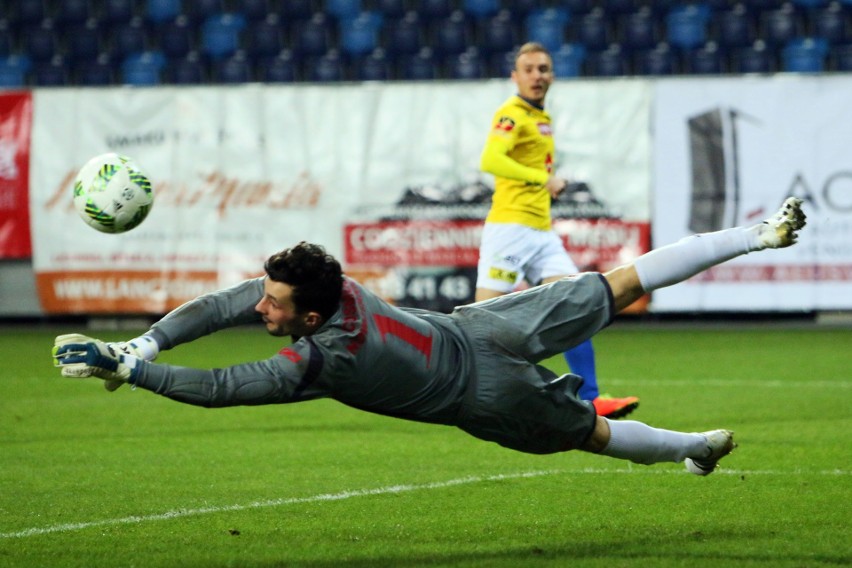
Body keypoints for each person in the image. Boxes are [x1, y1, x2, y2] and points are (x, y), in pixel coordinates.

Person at [52, 197, 806, 476]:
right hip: (483, 327)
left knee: (591, 438)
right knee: (620, 284)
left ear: (309, 317)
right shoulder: (328, 283)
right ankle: (759, 235)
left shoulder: (319, 361)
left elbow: (219, 389)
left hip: (485, 389)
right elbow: (219, 307)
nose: (261, 309)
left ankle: (690, 448)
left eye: (274, 306)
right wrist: (139, 348)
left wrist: (135, 372)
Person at [476, 41, 638, 419]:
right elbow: (490, 158)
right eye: (529, 69)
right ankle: (465, 393)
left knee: (578, 306)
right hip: (510, 229)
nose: (538, 75)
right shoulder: (511, 114)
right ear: (514, 77)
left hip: (540, 231)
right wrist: (541, 179)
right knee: (479, 322)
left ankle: (591, 398)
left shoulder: (540, 117)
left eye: (544, 69)